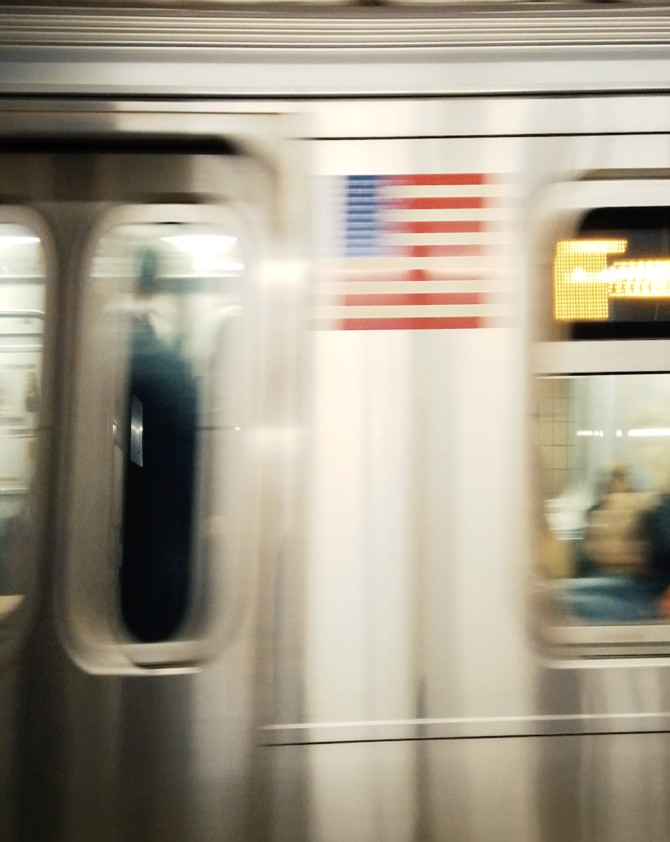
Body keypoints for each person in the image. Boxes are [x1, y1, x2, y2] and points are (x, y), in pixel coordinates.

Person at [119, 248, 197, 643]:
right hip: (168, 545)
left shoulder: (124, 356)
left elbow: (132, 447)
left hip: (141, 543)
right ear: (155, 287)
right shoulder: (169, 365)